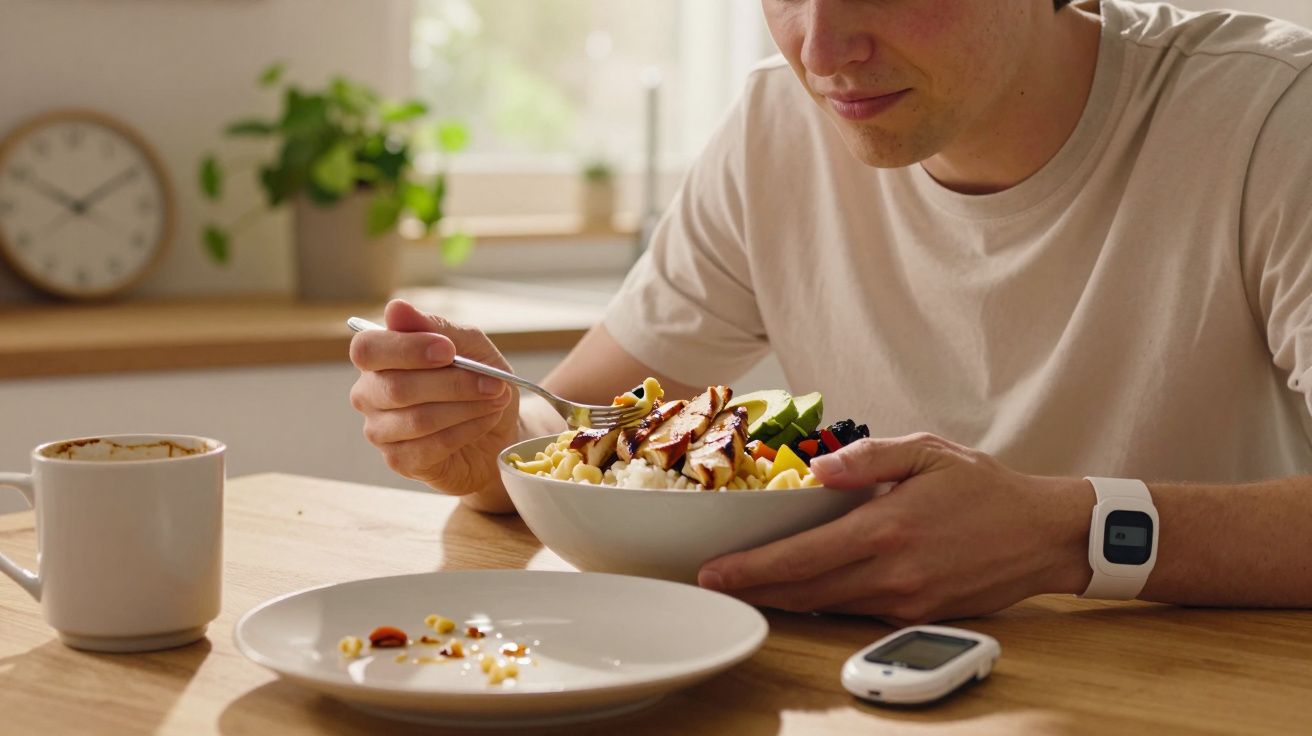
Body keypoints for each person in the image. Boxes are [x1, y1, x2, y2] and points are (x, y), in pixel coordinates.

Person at [349, 0, 1312, 622]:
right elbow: (575, 420)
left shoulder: (1272, 119)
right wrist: (487, 437)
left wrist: (1072, 532)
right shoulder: (778, 130)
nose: (823, 50)